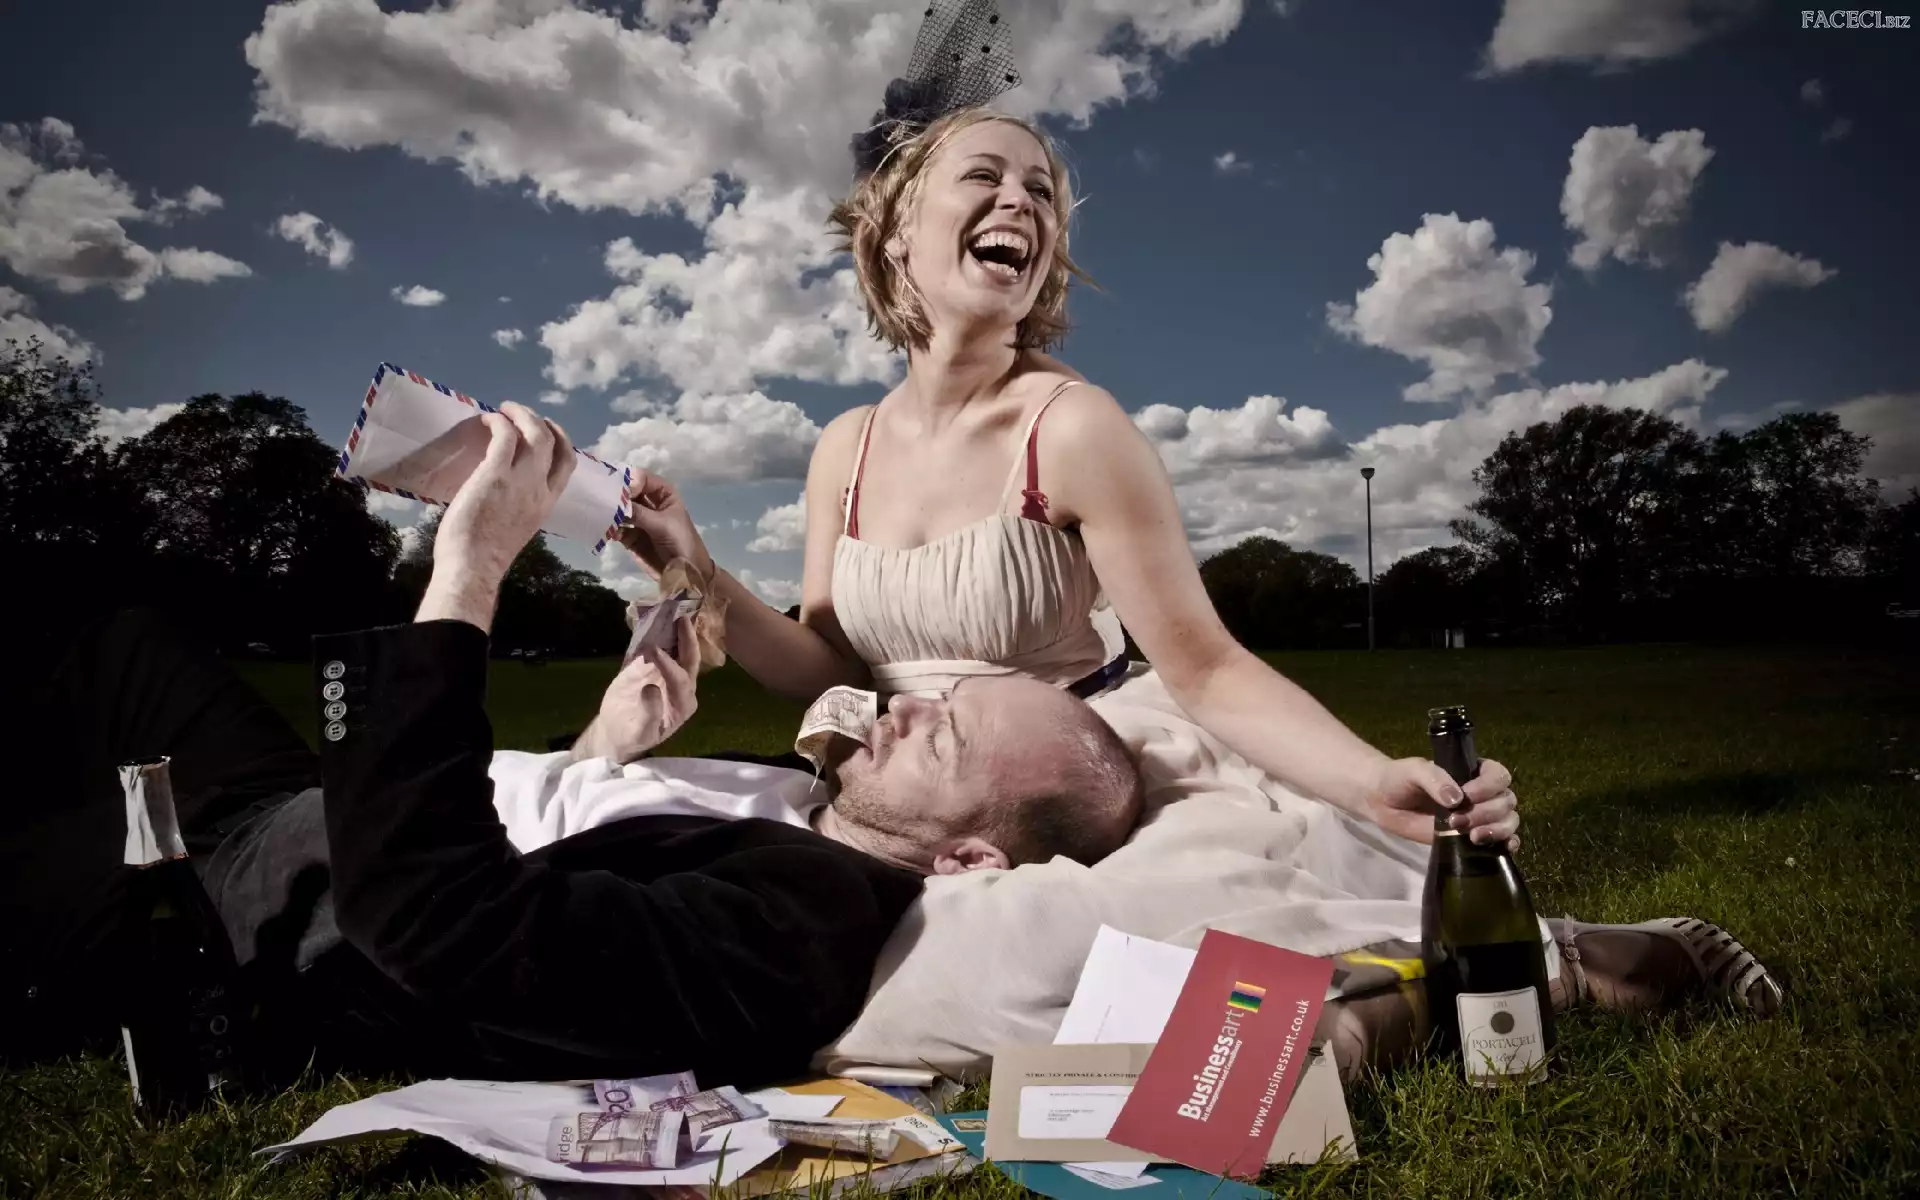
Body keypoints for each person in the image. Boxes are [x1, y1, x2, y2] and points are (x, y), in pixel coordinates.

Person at [610, 5, 1784, 1077]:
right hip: (916, 788)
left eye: (1043, 190)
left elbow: (1207, 668)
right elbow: (824, 663)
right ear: (895, 227)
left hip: (1085, 775)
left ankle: (1569, 962)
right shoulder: (845, 447)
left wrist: (1370, 781)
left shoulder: (1074, 428)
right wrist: (692, 570)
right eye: (986, 176)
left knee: (1051, 955)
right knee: (834, 965)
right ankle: (1358, 1017)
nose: (1024, 202)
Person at [0, 402, 1143, 1091]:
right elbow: (564, 827)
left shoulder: (803, 923)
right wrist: (610, 740)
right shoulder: (805, 802)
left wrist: (470, 571)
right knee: (124, 640)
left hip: (242, 902)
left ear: (968, 860)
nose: (905, 706)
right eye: (940, 697)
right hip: (303, 799)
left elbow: (445, 922)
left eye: (944, 738)